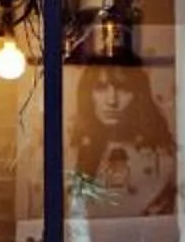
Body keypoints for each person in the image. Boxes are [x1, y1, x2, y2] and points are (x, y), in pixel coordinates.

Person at [68, 61, 178, 216]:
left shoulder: (165, 159)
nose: (112, 101)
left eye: (123, 89)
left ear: (139, 95)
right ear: (88, 96)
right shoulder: (74, 157)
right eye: (101, 88)